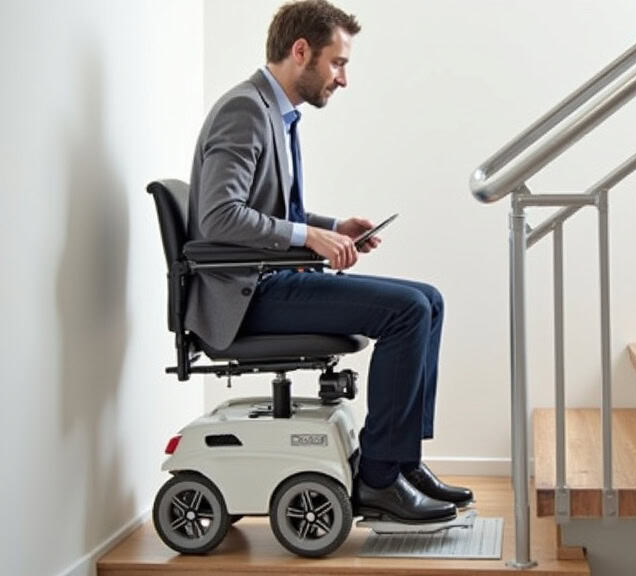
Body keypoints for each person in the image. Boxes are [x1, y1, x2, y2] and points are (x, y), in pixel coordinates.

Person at [186, 0, 472, 524]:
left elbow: (268, 209)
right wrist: (309, 237)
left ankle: (403, 462)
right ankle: (382, 481)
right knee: (407, 309)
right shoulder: (245, 110)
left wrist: (332, 227)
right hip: (246, 296)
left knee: (428, 299)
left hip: (268, 279)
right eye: (338, 63)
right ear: (301, 52)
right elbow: (220, 217)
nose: (342, 79)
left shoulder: (273, 112)